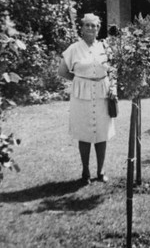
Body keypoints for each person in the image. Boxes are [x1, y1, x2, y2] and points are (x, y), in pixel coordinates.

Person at [58, 13, 117, 184]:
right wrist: (80, 81)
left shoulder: (105, 47)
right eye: (87, 25)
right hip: (81, 96)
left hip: (102, 94)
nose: (91, 28)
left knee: (102, 133)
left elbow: (112, 70)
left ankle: (101, 170)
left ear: (99, 29)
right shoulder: (74, 49)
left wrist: (112, 87)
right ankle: (85, 171)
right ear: (82, 28)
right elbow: (62, 71)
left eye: (94, 25)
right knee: (84, 133)